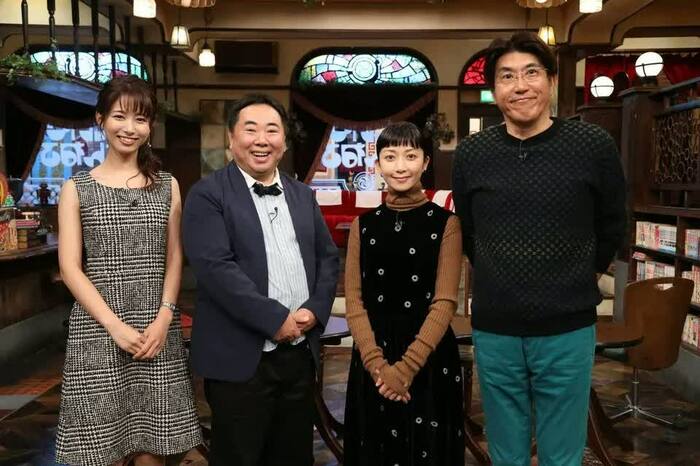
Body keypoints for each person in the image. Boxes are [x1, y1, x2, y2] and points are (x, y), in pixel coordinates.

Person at [452, 31, 627, 466]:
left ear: (551, 80)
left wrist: (580, 274)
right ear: (494, 90)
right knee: (505, 450)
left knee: (563, 452)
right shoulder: (472, 153)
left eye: (531, 73)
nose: (520, 86)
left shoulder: (592, 146)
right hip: (496, 327)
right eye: (507, 76)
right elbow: (469, 232)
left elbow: (612, 224)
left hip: (567, 326)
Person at [182, 94, 339, 466]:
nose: (261, 140)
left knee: (294, 456)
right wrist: (275, 319)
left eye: (272, 130)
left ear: (284, 141)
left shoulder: (302, 195)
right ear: (231, 139)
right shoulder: (208, 194)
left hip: (299, 353)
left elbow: (328, 258)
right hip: (240, 358)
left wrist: (314, 311)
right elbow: (216, 269)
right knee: (240, 457)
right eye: (250, 130)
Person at [56, 75, 202, 466]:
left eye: (141, 119)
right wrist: (115, 327)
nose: (130, 128)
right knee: (100, 448)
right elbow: (70, 268)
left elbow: (175, 257)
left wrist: (165, 317)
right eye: (120, 116)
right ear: (100, 119)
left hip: (156, 329)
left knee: (154, 447)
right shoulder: (76, 188)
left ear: (150, 126)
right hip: (97, 329)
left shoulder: (167, 185)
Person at [343, 121, 465, 466]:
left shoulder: (447, 223)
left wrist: (406, 369)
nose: (400, 166)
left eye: (410, 156)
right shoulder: (363, 225)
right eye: (390, 156)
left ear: (426, 162)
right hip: (373, 357)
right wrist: (378, 366)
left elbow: (445, 302)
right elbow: (354, 302)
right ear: (378, 164)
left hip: (428, 356)